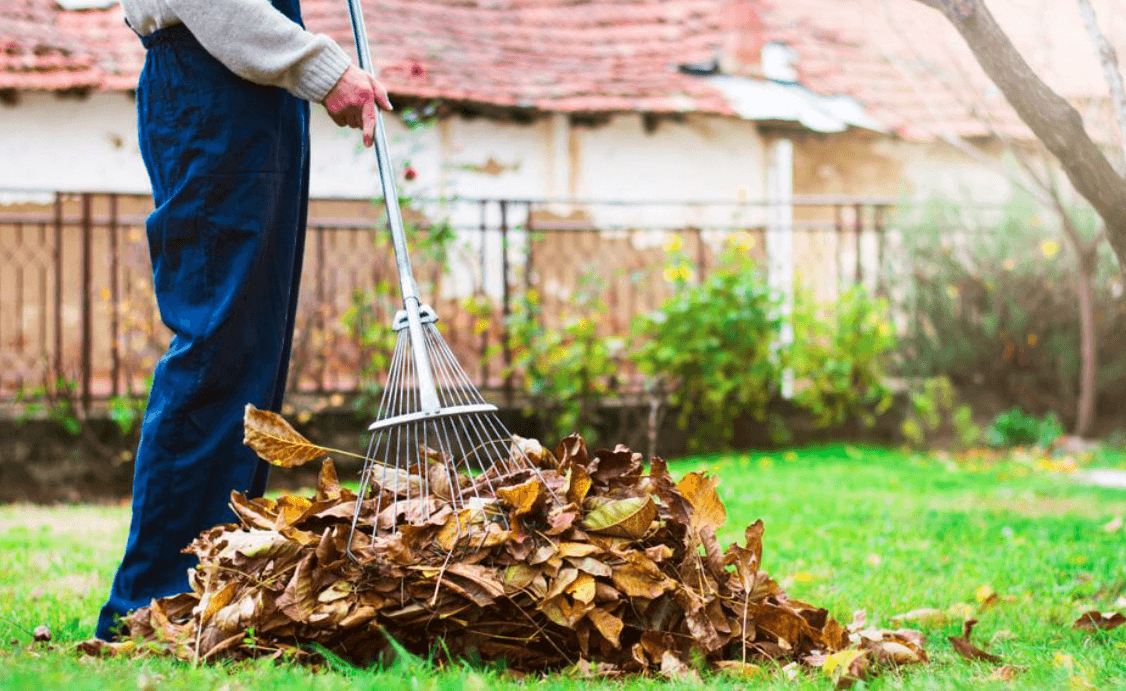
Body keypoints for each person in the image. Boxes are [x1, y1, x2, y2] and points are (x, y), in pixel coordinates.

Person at [95, 0, 392, 640]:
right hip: (210, 84)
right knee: (218, 345)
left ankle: (217, 586)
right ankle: (154, 601)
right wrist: (323, 67)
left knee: (251, 353)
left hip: (249, 92)